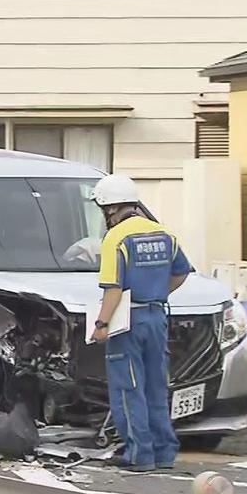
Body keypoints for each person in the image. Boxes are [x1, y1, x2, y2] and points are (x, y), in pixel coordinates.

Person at [89, 174, 193, 472]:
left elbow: (113, 288)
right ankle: (164, 452)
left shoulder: (117, 238)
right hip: (157, 316)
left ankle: (139, 454)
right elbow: (181, 272)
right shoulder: (163, 233)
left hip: (127, 320)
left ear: (110, 208)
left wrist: (101, 324)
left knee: (128, 387)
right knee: (155, 386)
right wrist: (159, 292)